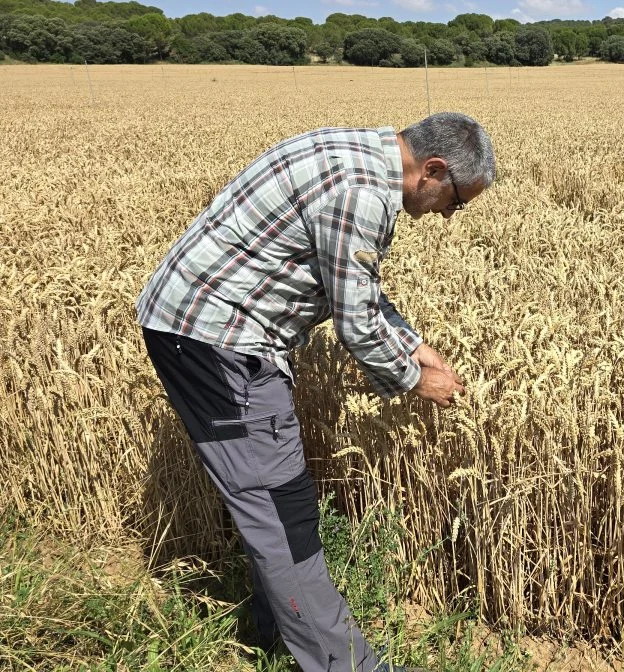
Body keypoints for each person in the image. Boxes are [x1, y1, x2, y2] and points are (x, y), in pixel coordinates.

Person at [135, 113, 495, 672]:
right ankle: (343, 664)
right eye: (456, 201)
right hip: (217, 339)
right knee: (284, 514)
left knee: (271, 503)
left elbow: (354, 286)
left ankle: (273, 628)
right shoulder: (362, 195)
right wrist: (417, 379)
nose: (450, 216)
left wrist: (413, 342)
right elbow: (355, 321)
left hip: (194, 322)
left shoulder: (360, 152)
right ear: (433, 169)